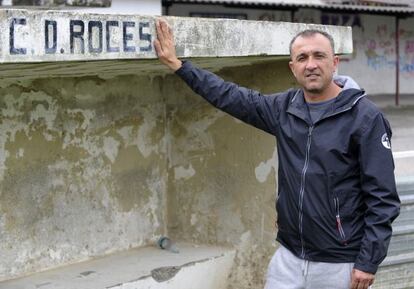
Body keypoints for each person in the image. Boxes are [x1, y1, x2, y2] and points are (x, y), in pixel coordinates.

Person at [154, 19, 400, 289]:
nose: (311, 64)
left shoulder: (364, 117)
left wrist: (368, 262)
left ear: (335, 62)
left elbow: (383, 199)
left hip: (339, 263)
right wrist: (179, 66)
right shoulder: (284, 108)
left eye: (319, 56)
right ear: (292, 67)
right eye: (302, 58)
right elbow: (229, 96)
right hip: (288, 257)